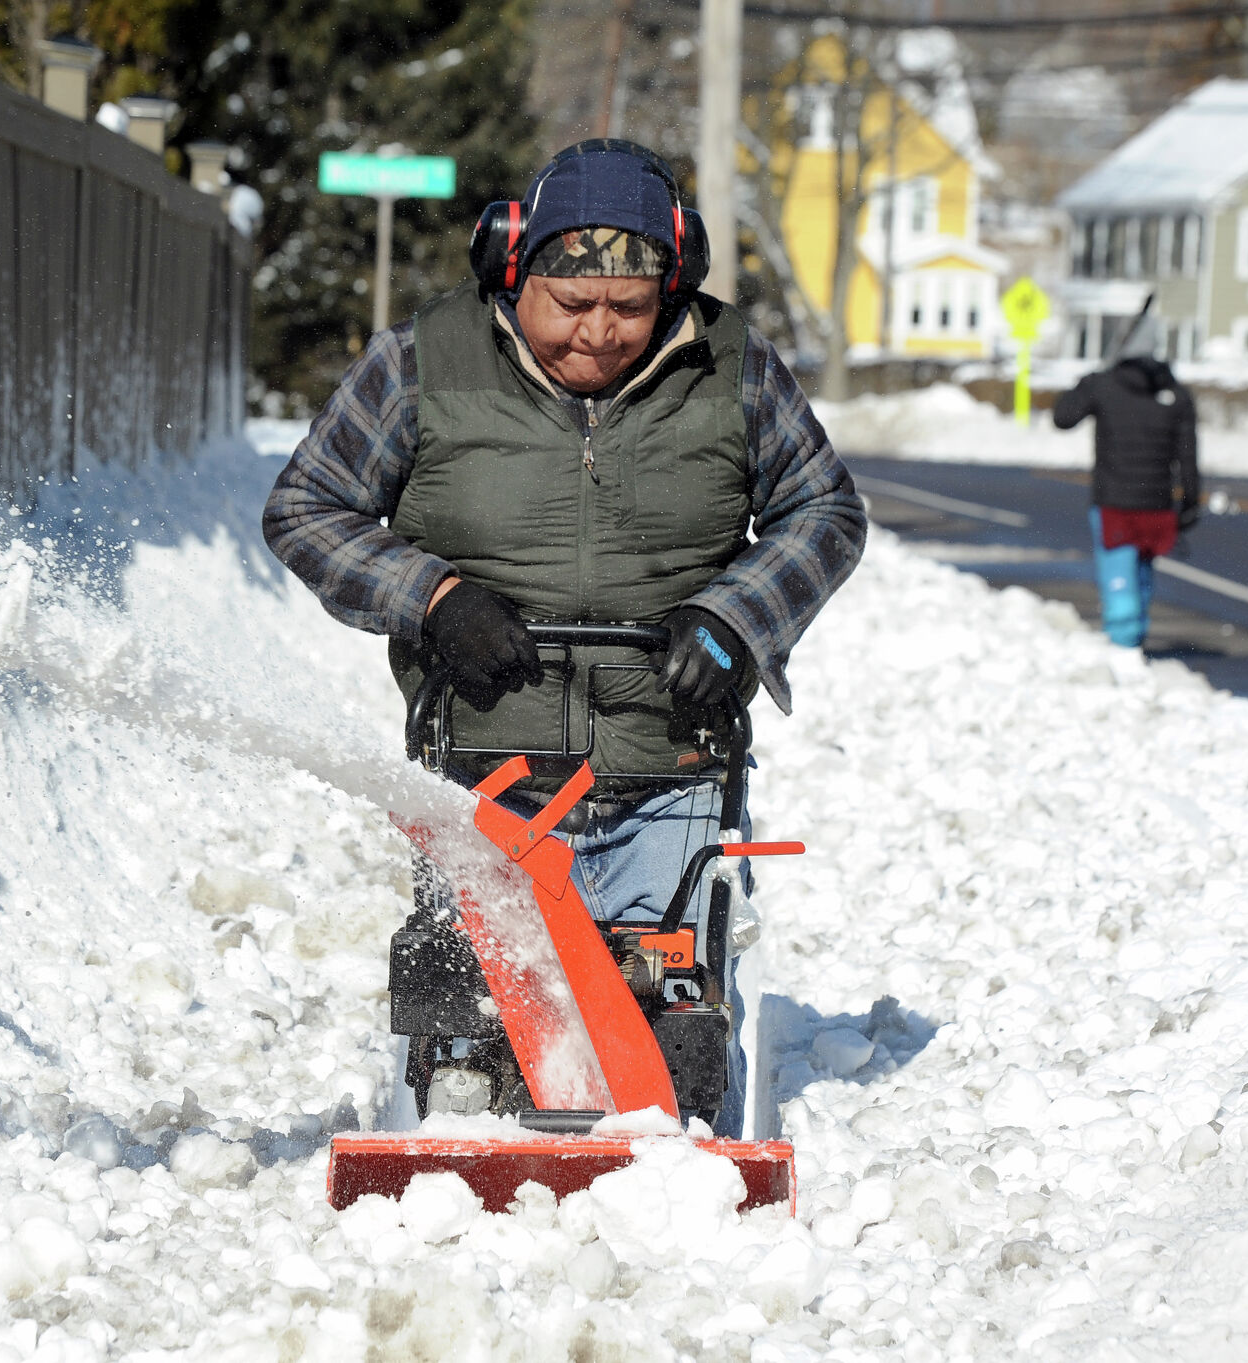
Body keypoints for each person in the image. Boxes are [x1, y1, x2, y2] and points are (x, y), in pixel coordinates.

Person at [263, 140, 866, 1134]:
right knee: (477, 1031)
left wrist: (736, 617)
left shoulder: (733, 367)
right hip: (486, 783)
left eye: (629, 307)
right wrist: (434, 598)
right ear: (513, 269)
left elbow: (824, 512)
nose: (597, 331)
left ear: (673, 286)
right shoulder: (419, 363)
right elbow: (305, 507)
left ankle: (681, 1180)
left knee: (669, 1041)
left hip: (669, 770)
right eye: (571, 302)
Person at [1052, 313, 1201, 648]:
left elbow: (1063, 417)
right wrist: (1190, 502)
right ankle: (1134, 642)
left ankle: (1124, 648)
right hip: (1157, 506)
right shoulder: (1175, 393)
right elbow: (1188, 456)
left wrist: (1089, 380)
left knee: (1119, 577)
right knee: (1142, 577)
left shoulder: (1103, 385)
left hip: (1114, 505)